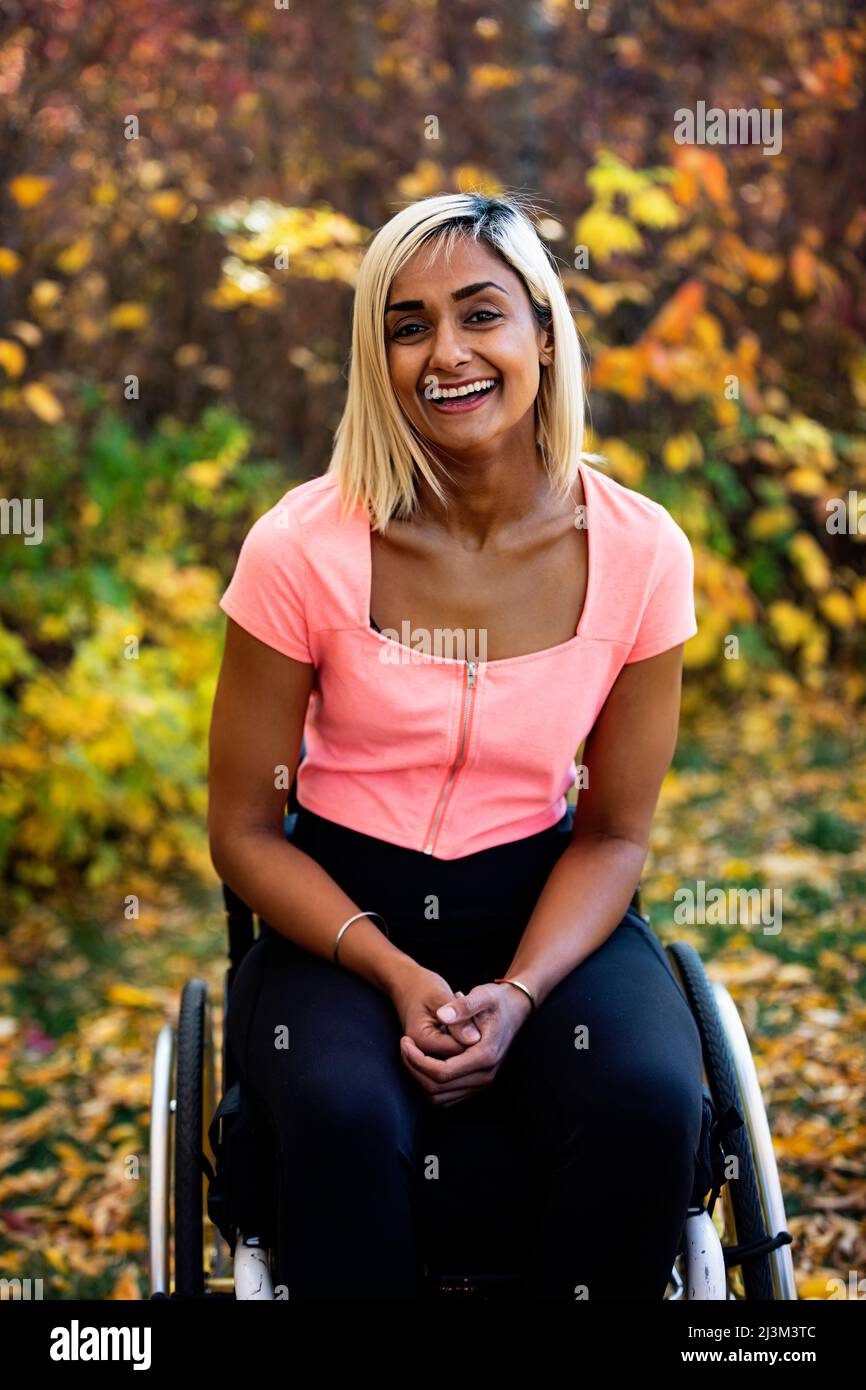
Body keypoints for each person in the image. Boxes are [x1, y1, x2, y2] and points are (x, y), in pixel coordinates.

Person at [208, 190, 704, 1301]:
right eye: (406, 324)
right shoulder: (302, 546)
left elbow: (617, 832)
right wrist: (391, 967)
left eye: (480, 313)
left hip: (546, 894)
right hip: (339, 911)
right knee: (337, 1115)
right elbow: (242, 827)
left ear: (541, 328)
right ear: (376, 358)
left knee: (648, 1103)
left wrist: (520, 992)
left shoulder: (639, 552)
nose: (446, 353)